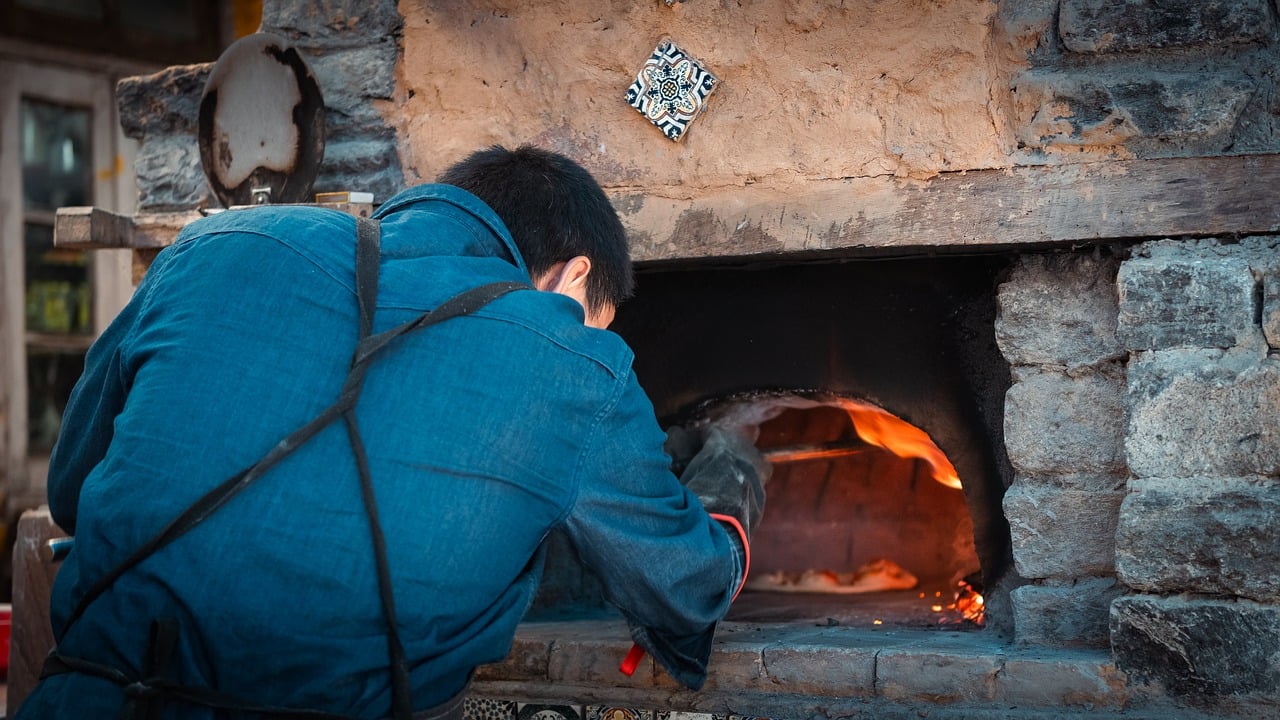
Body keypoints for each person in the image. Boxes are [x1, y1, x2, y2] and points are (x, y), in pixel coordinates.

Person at [17, 145, 766, 720]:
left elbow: (74, 489)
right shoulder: (571, 359)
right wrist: (732, 485)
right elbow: (684, 587)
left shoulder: (211, 250)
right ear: (573, 279)